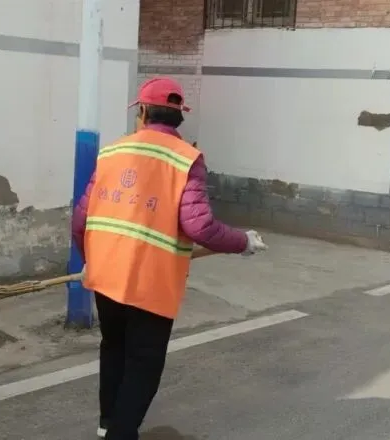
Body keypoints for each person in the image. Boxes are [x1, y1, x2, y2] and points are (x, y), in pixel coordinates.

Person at [71, 76, 268, 440]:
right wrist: (243, 241)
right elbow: (200, 227)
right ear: (179, 117)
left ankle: (107, 423)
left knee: (114, 347)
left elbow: (81, 219)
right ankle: (119, 433)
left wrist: (88, 259)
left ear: (143, 112)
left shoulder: (112, 152)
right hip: (153, 283)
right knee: (143, 362)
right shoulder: (187, 159)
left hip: (107, 277)